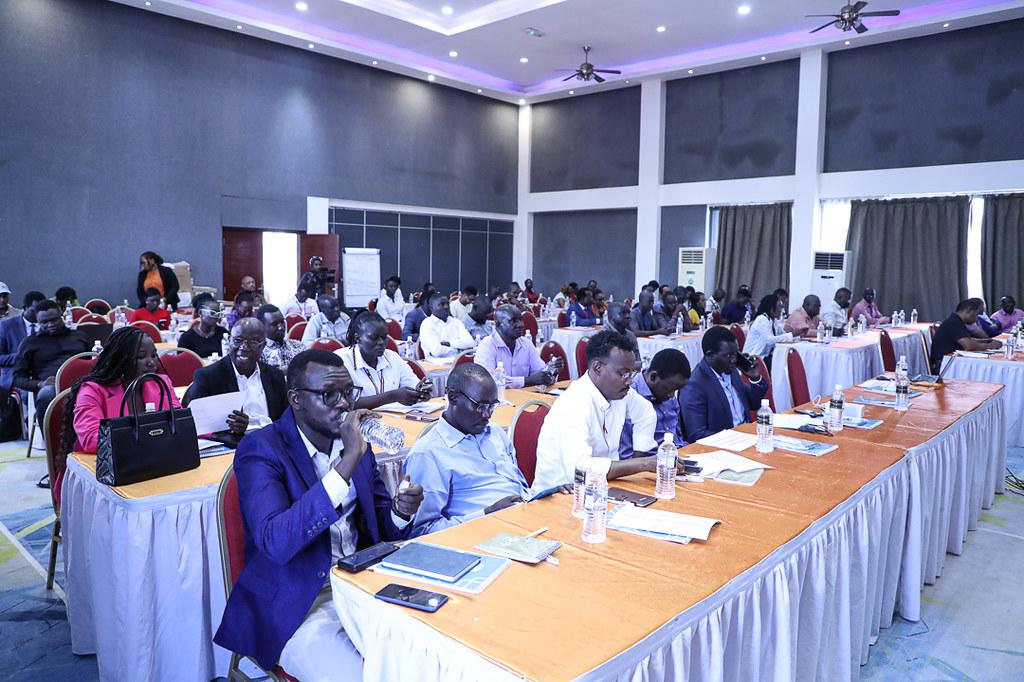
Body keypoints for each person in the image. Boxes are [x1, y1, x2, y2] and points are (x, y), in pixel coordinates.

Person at [213, 349, 423, 680]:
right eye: (329, 395)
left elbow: (381, 526)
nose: (344, 404)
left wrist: (400, 511)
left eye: (348, 392)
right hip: (298, 603)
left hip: (362, 586)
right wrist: (346, 464)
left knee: (425, 660)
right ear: (296, 399)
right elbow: (277, 542)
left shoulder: (356, 445)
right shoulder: (262, 449)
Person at [404, 363, 531, 537]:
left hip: (525, 519)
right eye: (480, 406)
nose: (487, 414)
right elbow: (422, 531)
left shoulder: (495, 432)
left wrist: (546, 495)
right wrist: (487, 514)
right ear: (453, 397)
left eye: (492, 406)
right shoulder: (428, 454)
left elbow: (520, 487)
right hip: (481, 536)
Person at [533, 331, 664, 490]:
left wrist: (639, 456)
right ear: (598, 368)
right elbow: (580, 470)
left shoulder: (620, 392)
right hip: (560, 493)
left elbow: (646, 413)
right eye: (623, 373)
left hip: (601, 487)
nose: (629, 381)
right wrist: (642, 464)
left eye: (632, 373)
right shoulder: (574, 403)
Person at [63, 326, 179, 455]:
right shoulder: (92, 390)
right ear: (121, 359)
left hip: (154, 457)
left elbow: (179, 423)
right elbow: (91, 440)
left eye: (154, 355)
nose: (151, 363)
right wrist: (148, 437)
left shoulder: (162, 383)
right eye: (141, 357)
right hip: (104, 462)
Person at [184, 318, 288, 440]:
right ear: (229, 341)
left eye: (253, 342)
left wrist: (252, 424)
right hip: (230, 447)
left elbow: (287, 420)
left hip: (272, 442)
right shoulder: (208, 377)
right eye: (238, 340)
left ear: (263, 346)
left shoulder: (275, 376)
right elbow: (196, 425)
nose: (244, 347)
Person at [680, 326, 770, 441]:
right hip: (725, 444)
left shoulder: (731, 371)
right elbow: (696, 434)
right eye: (728, 355)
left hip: (748, 437)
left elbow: (755, 404)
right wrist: (734, 437)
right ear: (710, 355)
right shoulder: (694, 385)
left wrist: (755, 378)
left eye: (735, 354)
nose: (734, 360)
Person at [12, 300, 89, 428]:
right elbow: (17, 379)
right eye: (44, 322)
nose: (50, 325)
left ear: (61, 315)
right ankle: (51, 439)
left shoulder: (79, 336)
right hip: (52, 387)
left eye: (54, 320)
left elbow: (91, 362)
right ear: (38, 322)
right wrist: (40, 384)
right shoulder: (29, 343)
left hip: (82, 383)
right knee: (46, 394)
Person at [339, 312, 432, 409]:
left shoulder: (393, 357)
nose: (381, 342)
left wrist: (420, 391)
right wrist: (393, 396)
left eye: (384, 337)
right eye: (374, 338)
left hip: (394, 416)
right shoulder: (342, 361)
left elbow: (413, 384)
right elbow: (345, 403)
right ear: (357, 338)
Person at [619, 349, 691, 457]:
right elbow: (626, 455)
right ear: (653, 377)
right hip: (653, 461)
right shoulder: (629, 396)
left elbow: (678, 438)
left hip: (679, 454)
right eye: (670, 389)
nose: (672, 395)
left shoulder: (668, 394)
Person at [474, 305, 559, 388]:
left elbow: (539, 374)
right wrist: (527, 381)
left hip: (524, 396)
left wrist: (552, 371)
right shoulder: (486, 346)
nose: (520, 325)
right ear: (498, 324)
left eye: (521, 320)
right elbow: (488, 381)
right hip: (498, 396)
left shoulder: (526, 344)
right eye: (513, 321)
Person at [930, 299, 1003, 372]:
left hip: (949, 360)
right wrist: (991, 345)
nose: (975, 319)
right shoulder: (953, 322)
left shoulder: (956, 320)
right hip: (943, 364)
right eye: (975, 315)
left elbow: (966, 339)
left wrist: (984, 341)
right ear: (969, 310)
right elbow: (968, 345)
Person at [0, 291, 47, 390]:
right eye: (34, 311)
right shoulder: (6, 326)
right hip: (17, 375)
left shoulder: (49, 325)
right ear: (25, 308)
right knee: (26, 394)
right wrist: (22, 358)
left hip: (44, 373)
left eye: (41, 311)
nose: (39, 315)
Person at [418, 294, 475, 362]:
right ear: (431, 308)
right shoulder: (427, 324)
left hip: (459, 362)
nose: (446, 307)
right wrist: (459, 349)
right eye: (442, 304)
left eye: (448, 304)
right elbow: (437, 351)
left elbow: (470, 343)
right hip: (436, 365)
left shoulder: (456, 322)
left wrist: (449, 343)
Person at [744, 295, 793, 370]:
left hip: (763, 356)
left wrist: (796, 336)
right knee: (782, 364)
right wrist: (791, 335)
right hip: (752, 358)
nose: (781, 310)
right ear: (772, 309)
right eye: (779, 307)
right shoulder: (762, 320)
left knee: (785, 360)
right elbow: (770, 340)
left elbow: (783, 335)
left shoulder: (773, 321)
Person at [258, 304, 306, 372]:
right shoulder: (258, 352)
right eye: (274, 324)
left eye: (282, 322)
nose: (281, 327)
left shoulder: (299, 346)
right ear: (262, 326)